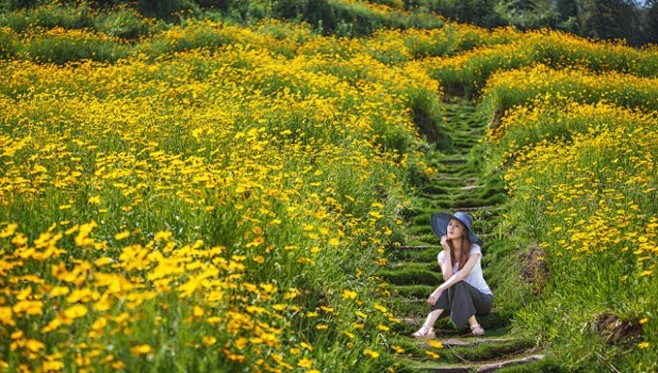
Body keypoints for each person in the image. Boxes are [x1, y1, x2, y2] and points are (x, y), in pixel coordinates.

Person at [411, 211, 493, 338]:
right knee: (452, 286)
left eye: (457, 226)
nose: (451, 228)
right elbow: (447, 277)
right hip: (458, 298)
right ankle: (426, 328)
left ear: (464, 232)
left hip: (481, 300)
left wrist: (439, 289)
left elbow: (462, 274)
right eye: (450, 224)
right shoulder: (442, 255)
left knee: (458, 283)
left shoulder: (474, 249)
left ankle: (474, 325)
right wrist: (448, 252)